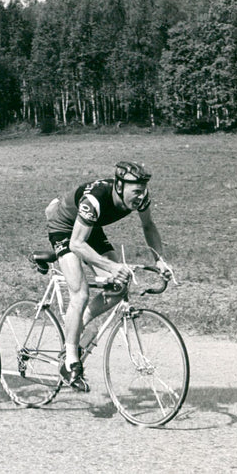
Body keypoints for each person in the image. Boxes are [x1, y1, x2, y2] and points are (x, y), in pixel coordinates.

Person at [45, 161, 173, 392]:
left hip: (90, 227)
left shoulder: (141, 197)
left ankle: (77, 324)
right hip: (65, 228)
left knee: (118, 287)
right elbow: (76, 244)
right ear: (120, 186)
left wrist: (160, 259)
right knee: (80, 293)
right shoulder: (94, 200)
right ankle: (70, 359)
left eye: (143, 189)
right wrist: (111, 267)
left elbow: (149, 226)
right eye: (136, 190)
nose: (140, 195)